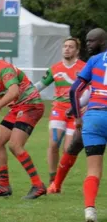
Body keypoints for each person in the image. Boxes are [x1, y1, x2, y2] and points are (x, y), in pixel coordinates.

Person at [0, 46, 46, 199]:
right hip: (18, 107)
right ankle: (3, 186)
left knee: (15, 145)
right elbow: (1, 98)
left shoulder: (4, 69)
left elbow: (13, 92)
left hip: (31, 105)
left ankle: (38, 185)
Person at [47, 28, 107, 194]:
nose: (88, 44)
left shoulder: (94, 61)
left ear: (101, 41)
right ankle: (56, 184)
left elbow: (79, 89)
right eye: (86, 41)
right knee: (73, 145)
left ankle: (57, 184)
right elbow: (93, 89)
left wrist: (78, 108)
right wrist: (76, 107)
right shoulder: (95, 61)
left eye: (91, 41)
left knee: (74, 146)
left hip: (96, 114)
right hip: (95, 113)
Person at [33, 37, 87, 185]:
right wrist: (24, 92)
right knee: (53, 144)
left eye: (71, 47)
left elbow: (92, 89)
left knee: (68, 149)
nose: (67, 49)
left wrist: (86, 105)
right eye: (65, 46)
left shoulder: (84, 68)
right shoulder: (55, 69)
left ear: (77, 50)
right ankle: (52, 178)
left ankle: (58, 180)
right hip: (58, 109)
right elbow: (40, 86)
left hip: (76, 112)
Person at [69, 48, 107, 222]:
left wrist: (77, 117)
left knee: (93, 169)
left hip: (94, 118)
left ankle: (90, 209)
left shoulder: (95, 59)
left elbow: (75, 90)